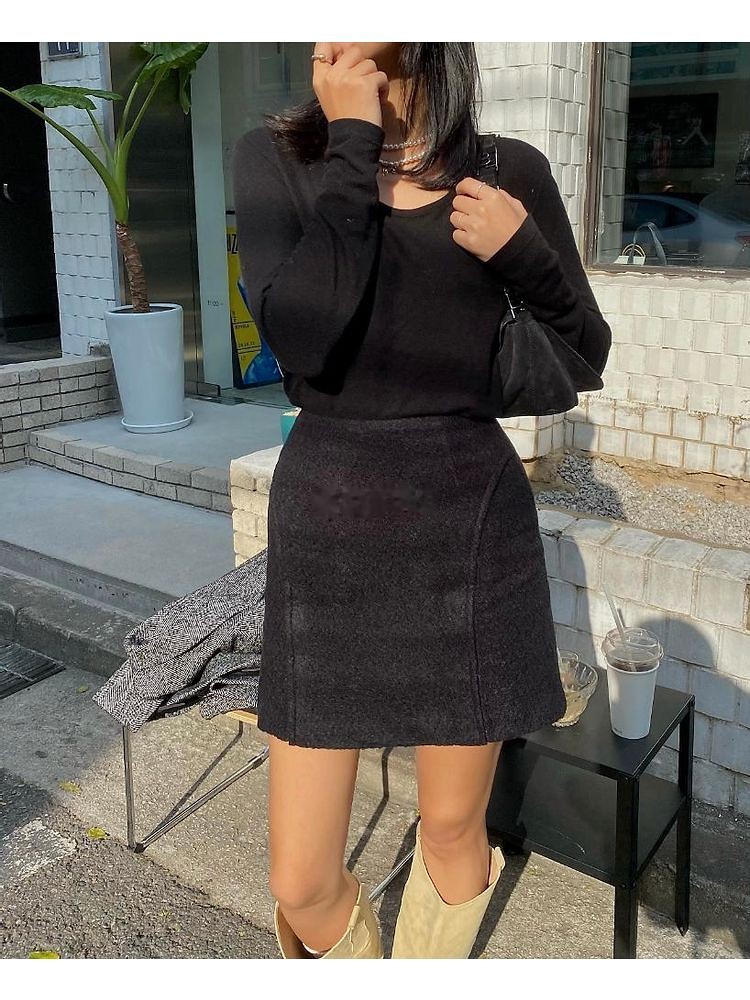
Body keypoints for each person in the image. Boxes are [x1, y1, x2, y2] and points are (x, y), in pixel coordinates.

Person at [231, 41, 611, 960]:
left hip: (466, 524)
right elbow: (301, 340)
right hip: (329, 523)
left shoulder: (506, 170)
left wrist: (522, 252)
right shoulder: (279, 158)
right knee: (300, 880)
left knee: (448, 828)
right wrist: (352, 139)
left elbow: (584, 349)